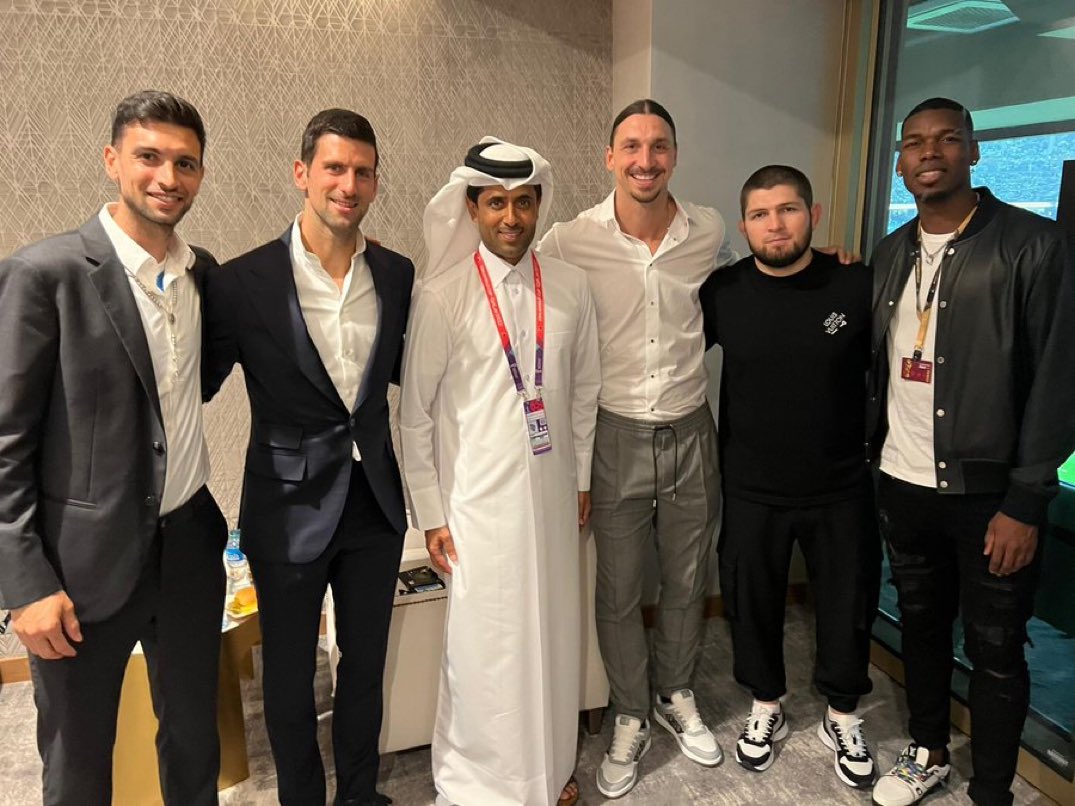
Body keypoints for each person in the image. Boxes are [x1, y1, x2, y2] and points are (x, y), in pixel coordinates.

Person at [0, 90, 227, 805]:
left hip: (190, 546)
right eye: (149, 157)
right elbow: (6, 441)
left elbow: (192, 390)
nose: (168, 177)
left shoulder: (203, 276)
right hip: (80, 563)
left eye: (184, 162)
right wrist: (24, 585)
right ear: (112, 161)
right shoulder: (46, 275)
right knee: (79, 760)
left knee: (195, 741)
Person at [202, 109, 413, 806]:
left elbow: (423, 374)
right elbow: (193, 385)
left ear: (375, 182)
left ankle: (358, 794)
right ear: (302, 174)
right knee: (290, 678)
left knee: (364, 666)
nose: (347, 184)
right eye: (333, 168)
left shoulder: (396, 273)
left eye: (361, 171)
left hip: (375, 502)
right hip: (285, 507)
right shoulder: (241, 283)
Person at [868, 97, 1075, 806]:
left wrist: (1025, 499)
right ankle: (925, 751)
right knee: (921, 629)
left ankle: (991, 790)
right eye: (914, 143)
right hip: (901, 484)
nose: (929, 153)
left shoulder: (1031, 247)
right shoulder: (890, 255)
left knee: (994, 648)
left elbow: (1058, 381)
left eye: (946, 139)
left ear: (973, 152)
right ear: (898, 162)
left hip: (990, 499)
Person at [538, 99, 731, 798]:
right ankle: (628, 711)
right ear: (609, 157)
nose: (644, 159)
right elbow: (512, 278)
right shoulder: (569, 238)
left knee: (686, 580)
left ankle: (674, 693)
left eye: (657, 146)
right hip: (613, 432)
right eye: (630, 146)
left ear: (673, 155)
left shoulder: (707, 231)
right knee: (618, 590)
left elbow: (749, 284)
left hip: (689, 429)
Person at [400, 138, 601, 806]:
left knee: (551, 636)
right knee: (488, 647)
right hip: (475, 510)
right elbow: (416, 417)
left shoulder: (570, 286)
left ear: (538, 204)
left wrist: (580, 482)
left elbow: (581, 393)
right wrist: (430, 512)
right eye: (495, 203)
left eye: (522, 202)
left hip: (551, 501)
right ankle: (483, 780)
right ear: (472, 208)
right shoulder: (443, 294)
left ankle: (548, 770)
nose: (510, 217)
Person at [700, 165, 879, 788]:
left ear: (815, 214)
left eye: (789, 210)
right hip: (751, 485)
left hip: (841, 485)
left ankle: (842, 711)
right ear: (744, 223)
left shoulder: (857, 284)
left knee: (846, 604)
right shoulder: (721, 293)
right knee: (751, 602)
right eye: (760, 214)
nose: (775, 224)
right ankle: (767, 706)